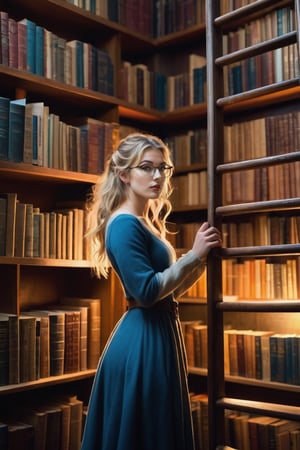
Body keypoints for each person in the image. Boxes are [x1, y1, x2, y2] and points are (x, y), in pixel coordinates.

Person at [80, 133, 222, 450]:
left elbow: (169, 291)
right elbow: (146, 292)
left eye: (162, 168)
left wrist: (201, 260)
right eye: (147, 167)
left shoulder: (145, 222)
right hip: (141, 342)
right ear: (124, 174)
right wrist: (193, 256)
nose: (157, 176)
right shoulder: (124, 224)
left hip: (158, 333)